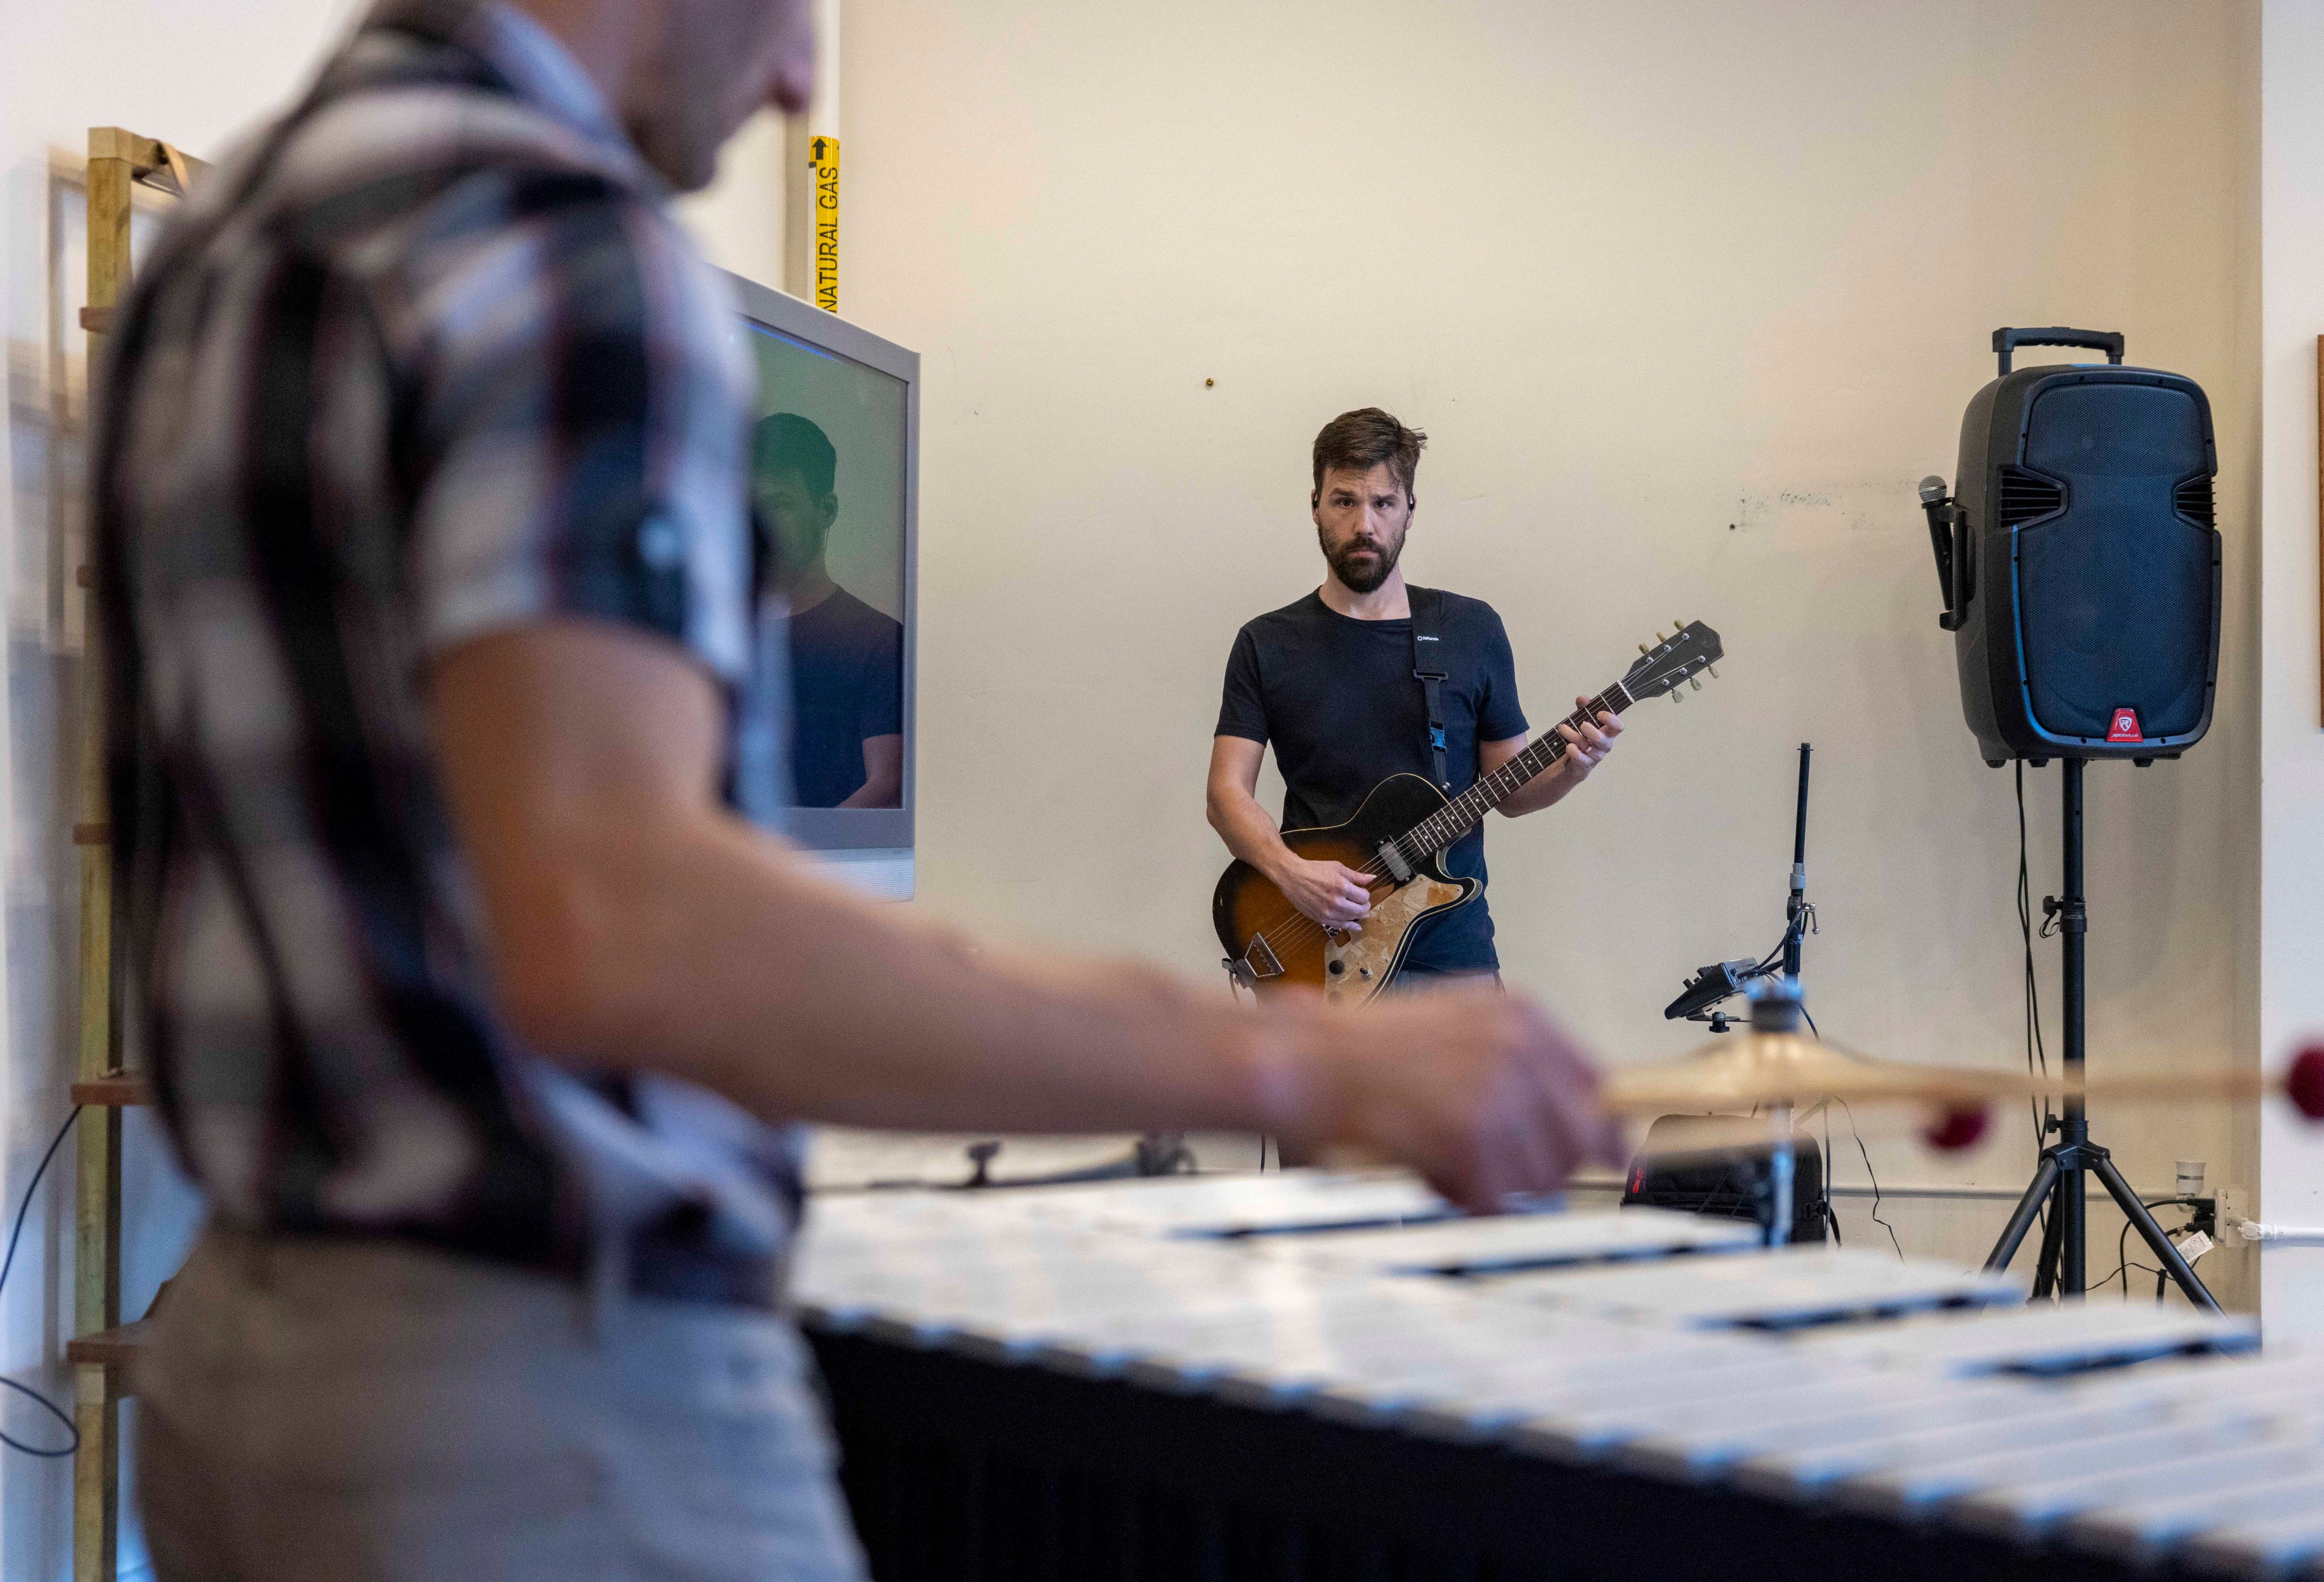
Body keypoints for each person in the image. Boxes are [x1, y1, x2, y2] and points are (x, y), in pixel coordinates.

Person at [94, 4, 1618, 1579]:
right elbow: (632, 925)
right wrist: (1293, 1068)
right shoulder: (551, 249)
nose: (797, 77)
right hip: (541, 1395)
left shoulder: (227, 239)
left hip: (241, 1356)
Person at [1209, 408, 1624, 987]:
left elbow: (1511, 790)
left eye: (1383, 502)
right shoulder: (1267, 642)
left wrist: (1573, 769)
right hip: (1321, 948)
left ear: (1410, 509)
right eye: (1344, 501)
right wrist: (1290, 873)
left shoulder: (1471, 629)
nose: (1364, 524)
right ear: (1314, 506)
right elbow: (1226, 792)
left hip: (1453, 955)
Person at [752, 412, 904, 808]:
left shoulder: (878, 640)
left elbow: (888, 786)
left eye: (780, 503)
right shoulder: (729, 637)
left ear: (827, 511)